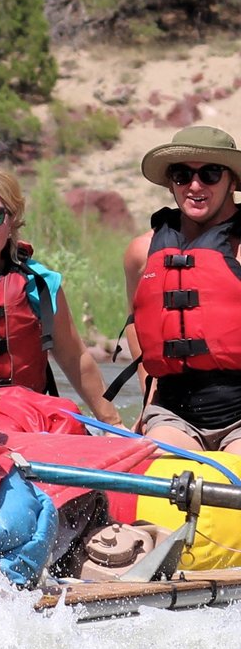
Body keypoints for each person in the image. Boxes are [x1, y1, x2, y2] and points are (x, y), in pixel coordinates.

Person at [0, 163, 121, 425]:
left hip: (28, 421)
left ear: (11, 223)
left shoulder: (39, 284)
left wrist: (114, 425)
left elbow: (76, 358)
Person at [123, 125, 241, 452]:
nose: (194, 185)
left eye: (210, 174)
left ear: (232, 180)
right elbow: (138, 323)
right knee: (161, 467)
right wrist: (148, 398)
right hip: (174, 414)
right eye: (182, 175)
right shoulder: (141, 252)